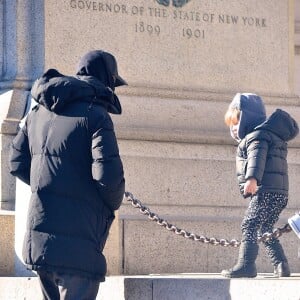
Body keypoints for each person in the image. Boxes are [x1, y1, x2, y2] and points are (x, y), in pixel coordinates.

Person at [9, 50, 126, 299]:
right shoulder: (96, 115)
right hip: (79, 242)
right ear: (107, 80)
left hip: (40, 240)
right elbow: (109, 181)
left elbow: (16, 162)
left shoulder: (38, 112)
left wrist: (52, 183)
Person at [221, 93, 299, 278]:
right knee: (265, 229)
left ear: (247, 118)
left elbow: (257, 159)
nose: (232, 128)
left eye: (236, 122)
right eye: (230, 124)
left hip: (265, 191)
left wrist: (252, 179)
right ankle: (281, 265)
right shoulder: (269, 135)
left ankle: (246, 265)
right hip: (279, 193)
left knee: (249, 225)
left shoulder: (256, 136)